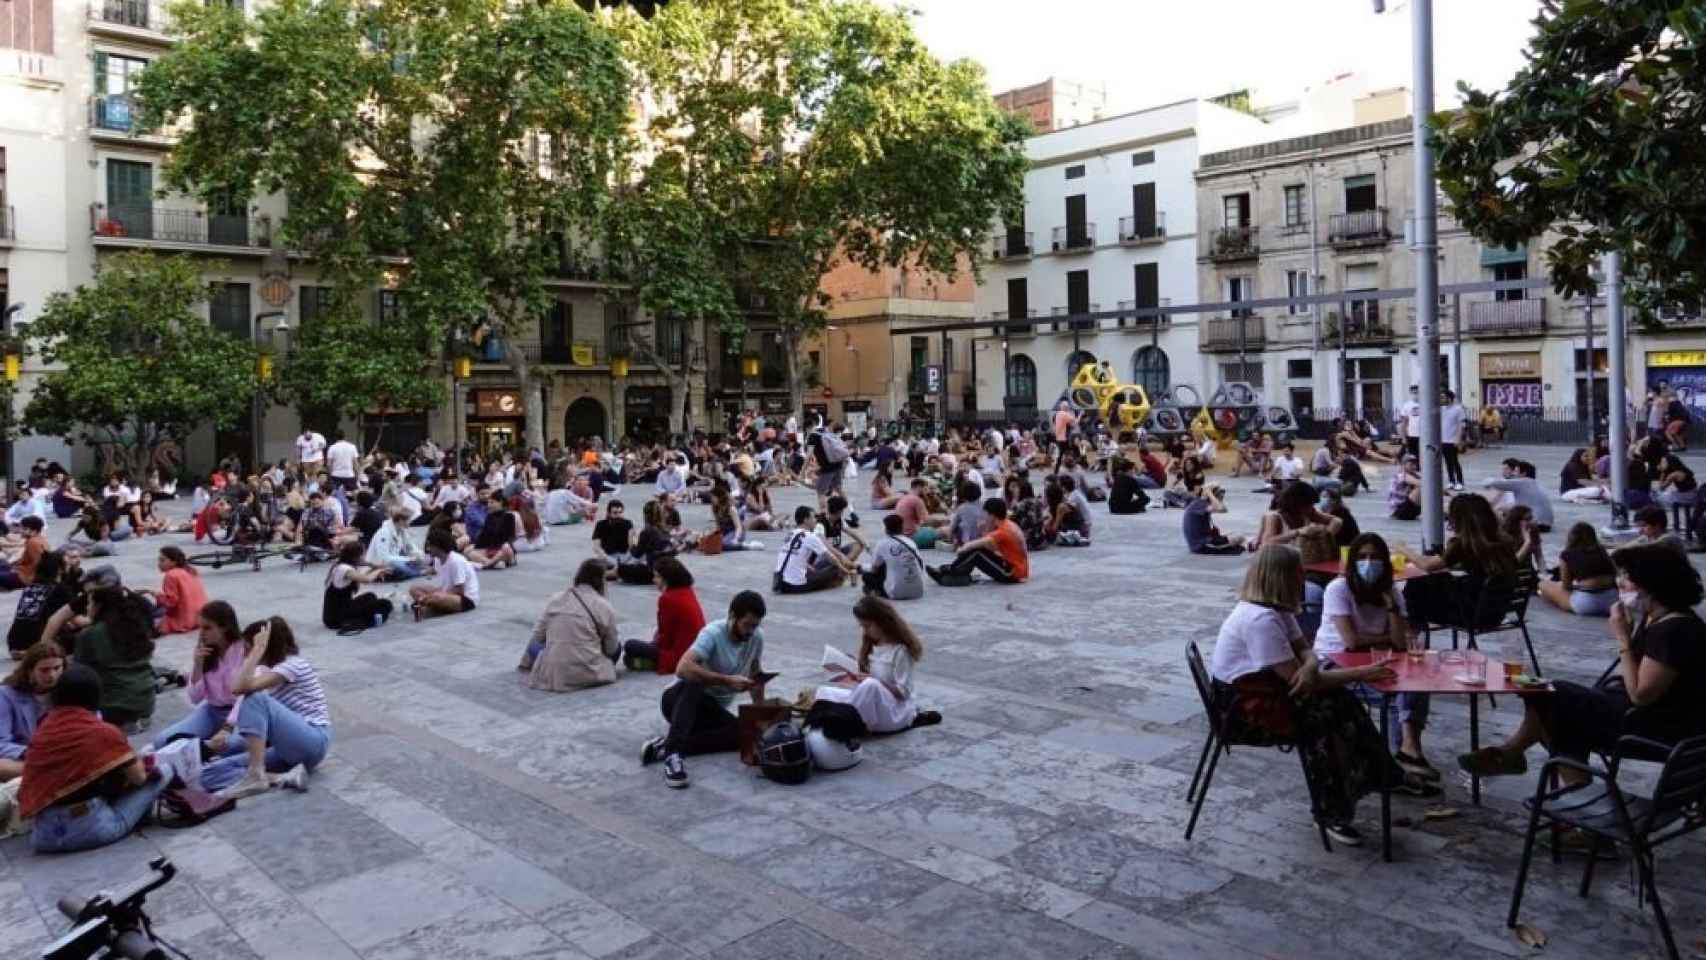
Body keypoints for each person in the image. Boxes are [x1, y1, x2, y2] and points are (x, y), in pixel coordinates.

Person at [1208, 545, 1430, 846]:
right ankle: (1332, 811)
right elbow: (1301, 682)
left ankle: (1382, 775)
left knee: (1343, 703)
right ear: (1282, 576)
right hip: (1244, 712)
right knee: (1329, 722)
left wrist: (1311, 664)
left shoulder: (1275, 610)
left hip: (1269, 693)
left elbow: (1304, 650)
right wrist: (1362, 673)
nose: (1304, 576)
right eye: (1298, 571)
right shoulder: (1260, 621)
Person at [1460, 544, 1706, 786]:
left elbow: (1641, 695)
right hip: (1644, 714)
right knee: (1551, 699)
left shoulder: (1673, 631)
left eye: (1627, 577)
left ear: (1652, 584)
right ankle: (1519, 757)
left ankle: (1535, 766)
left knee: (1555, 702)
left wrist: (1623, 639)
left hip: (1657, 728)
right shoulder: (1661, 618)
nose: (1619, 583)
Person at [1313, 534, 1436, 778]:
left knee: (1417, 683)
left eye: (1375, 557)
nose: (1368, 562)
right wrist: (1388, 637)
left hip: (1377, 658)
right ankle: (1400, 760)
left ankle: (1407, 750)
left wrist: (1391, 607)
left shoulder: (1391, 591)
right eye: (1362, 557)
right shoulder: (1339, 589)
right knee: (1391, 692)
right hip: (1334, 662)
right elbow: (1351, 642)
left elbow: (1400, 642)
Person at [21, 665, 170, 853]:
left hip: (43, 837)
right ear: (95, 696)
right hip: (93, 831)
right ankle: (139, 818)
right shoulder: (102, 732)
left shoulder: (43, 730)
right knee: (164, 770)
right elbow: (139, 778)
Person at [639, 590, 770, 789]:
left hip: (711, 710)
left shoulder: (756, 638)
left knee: (743, 735)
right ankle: (673, 756)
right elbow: (683, 668)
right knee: (695, 678)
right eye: (746, 625)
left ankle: (663, 747)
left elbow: (755, 674)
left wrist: (760, 716)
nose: (750, 631)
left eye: (755, 625)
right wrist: (726, 681)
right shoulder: (713, 633)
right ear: (732, 616)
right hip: (678, 701)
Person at [201, 618, 327, 798]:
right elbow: (239, 688)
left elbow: (239, 689)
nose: (245, 654)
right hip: (287, 748)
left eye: (247, 648)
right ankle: (282, 778)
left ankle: (256, 774)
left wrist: (257, 651)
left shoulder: (293, 665)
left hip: (313, 742)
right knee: (209, 774)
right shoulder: (269, 670)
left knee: (254, 697)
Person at [815, 596, 939, 733]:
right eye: (862, 626)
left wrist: (874, 681)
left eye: (867, 626)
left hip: (895, 712)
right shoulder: (873, 644)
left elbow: (903, 693)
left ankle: (846, 722)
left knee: (870, 685)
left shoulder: (900, 651)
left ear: (883, 622)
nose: (865, 630)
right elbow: (869, 679)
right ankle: (843, 719)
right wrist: (851, 667)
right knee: (824, 692)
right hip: (873, 706)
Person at [1403, 495, 1520, 629]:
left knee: (1417, 583)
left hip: (1470, 615)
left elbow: (1427, 566)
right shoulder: (1503, 541)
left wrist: (1403, 549)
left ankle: (1410, 631)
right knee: (1437, 579)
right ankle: (1411, 628)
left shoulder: (1463, 544)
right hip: (1495, 613)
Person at [520, 559, 621, 690]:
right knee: (618, 647)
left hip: (555, 673)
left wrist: (525, 663)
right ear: (601, 582)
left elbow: (537, 635)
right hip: (589, 670)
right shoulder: (604, 606)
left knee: (535, 647)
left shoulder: (555, 599)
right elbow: (611, 649)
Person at [74, 587, 156, 731]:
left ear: (98, 606)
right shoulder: (137, 625)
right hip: (147, 700)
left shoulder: (90, 634)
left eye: (89, 603)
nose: (87, 608)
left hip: (115, 705)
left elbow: (80, 673)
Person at [620, 557, 706, 674]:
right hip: (695, 650)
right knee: (648, 642)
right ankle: (644, 661)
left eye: (657, 576)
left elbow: (666, 637)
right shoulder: (686, 590)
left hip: (679, 656)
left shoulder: (667, 599)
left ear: (667, 579)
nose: (654, 580)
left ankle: (648, 662)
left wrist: (654, 648)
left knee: (630, 645)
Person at [926, 498, 1028, 586]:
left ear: (992, 515)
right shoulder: (1008, 524)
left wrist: (963, 548)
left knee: (976, 552)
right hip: (1016, 569)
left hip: (1012, 573)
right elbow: (991, 547)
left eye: (986, 514)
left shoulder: (1002, 531)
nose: (985, 517)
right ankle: (956, 573)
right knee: (978, 552)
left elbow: (977, 544)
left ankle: (947, 570)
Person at [0, 642, 63, 781]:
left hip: (60, 754)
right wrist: (30, 753)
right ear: (30, 671)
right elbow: (2, 742)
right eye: (44, 670)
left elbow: (93, 720)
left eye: (57, 668)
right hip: (25, 757)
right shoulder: (6, 695)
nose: (52, 675)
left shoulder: (72, 688)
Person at [1538, 522, 1617, 616]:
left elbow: (1566, 586)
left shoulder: (1567, 554)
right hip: (1612, 601)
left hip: (1587, 604)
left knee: (1542, 585)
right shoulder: (1601, 550)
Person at [774, 505, 853, 594]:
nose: (816, 520)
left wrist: (808, 565)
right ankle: (837, 583)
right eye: (814, 517)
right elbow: (830, 557)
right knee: (836, 567)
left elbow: (792, 555)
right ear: (806, 520)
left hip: (779, 582)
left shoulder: (790, 533)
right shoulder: (810, 536)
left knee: (817, 566)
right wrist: (845, 569)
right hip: (795, 586)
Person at [8, 551, 73, 657]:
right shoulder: (60, 589)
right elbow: (78, 620)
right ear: (60, 569)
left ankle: (27, 651)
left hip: (14, 642)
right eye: (68, 561)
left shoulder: (30, 587)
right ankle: (33, 651)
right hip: (38, 640)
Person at [322, 541, 394, 630]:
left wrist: (375, 567)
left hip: (338, 609)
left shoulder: (341, 563)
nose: (364, 557)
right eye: (362, 554)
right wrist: (378, 571)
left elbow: (364, 565)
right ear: (355, 556)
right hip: (337, 617)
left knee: (370, 596)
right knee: (385, 604)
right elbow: (366, 579)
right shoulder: (345, 569)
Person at [409, 528, 480, 618]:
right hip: (446, 592)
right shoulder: (437, 560)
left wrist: (432, 596)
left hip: (466, 599)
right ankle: (431, 606)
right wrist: (432, 595)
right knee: (414, 589)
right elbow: (444, 584)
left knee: (437, 597)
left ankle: (430, 607)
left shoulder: (456, 561)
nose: (428, 549)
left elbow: (459, 590)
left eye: (430, 546)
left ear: (439, 546)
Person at [1256, 481, 1343, 550]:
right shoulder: (1274, 517)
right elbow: (1267, 543)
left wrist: (1324, 538)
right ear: (1297, 503)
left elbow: (1337, 521)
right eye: (1309, 505)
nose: (1311, 508)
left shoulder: (1309, 513)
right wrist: (1298, 532)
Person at [863, 513, 926, 600]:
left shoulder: (882, 544)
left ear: (886, 529)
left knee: (866, 576)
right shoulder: (910, 542)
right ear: (902, 527)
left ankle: (878, 591)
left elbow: (874, 569)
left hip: (895, 593)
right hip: (918, 592)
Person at [147, 546, 207, 635]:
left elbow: (171, 602)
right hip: (199, 617)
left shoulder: (171, 575)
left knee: (149, 612)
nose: (159, 564)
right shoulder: (190, 570)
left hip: (183, 620)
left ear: (173, 562)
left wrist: (157, 595)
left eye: (162, 560)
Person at [1483, 458, 1554, 530]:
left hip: (1534, 523)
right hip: (1547, 524)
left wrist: (1487, 481)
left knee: (1497, 512)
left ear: (1523, 473)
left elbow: (1494, 483)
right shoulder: (1537, 484)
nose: (1513, 473)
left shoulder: (1521, 482)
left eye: (1516, 471)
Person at [1181, 484, 1244, 555]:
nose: (1222, 496)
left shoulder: (1200, 503)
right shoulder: (1200, 504)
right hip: (1202, 545)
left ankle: (1229, 545)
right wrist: (1209, 493)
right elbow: (1222, 509)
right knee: (1240, 537)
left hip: (1203, 540)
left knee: (1233, 534)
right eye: (1220, 493)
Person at [367, 509, 427, 579]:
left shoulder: (402, 531)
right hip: (380, 564)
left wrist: (418, 555)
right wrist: (408, 559)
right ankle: (419, 573)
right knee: (398, 566)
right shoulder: (384, 532)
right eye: (409, 520)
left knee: (417, 560)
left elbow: (410, 547)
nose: (411, 522)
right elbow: (383, 557)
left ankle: (413, 570)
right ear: (401, 520)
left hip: (394, 559)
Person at [466, 490, 519, 569]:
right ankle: (493, 563)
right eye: (488, 503)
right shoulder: (489, 517)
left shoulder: (509, 516)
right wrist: (476, 546)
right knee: (469, 552)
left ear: (500, 502)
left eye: (492, 502)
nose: (489, 505)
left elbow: (511, 536)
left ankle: (488, 564)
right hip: (490, 548)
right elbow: (483, 536)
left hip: (503, 549)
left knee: (506, 547)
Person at [0, 516, 47, 590]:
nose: (20, 531)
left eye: (24, 529)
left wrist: (16, 570)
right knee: (2, 563)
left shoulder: (33, 543)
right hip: (23, 571)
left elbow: (39, 564)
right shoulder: (39, 539)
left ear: (33, 531)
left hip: (25, 577)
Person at [592, 500, 635, 569]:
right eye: (615, 513)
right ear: (609, 513)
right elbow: (596, 547)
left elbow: (631, 545)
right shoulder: (600, 524)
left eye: (620, 512)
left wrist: (633, 535)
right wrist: (608, 558)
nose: (618, 515)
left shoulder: (628, 523)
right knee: (595, 562)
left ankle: (617, 570)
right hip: (608, 556)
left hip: (624, 556)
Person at [1439, 389, 1467, 490]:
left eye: (1443, 397)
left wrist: (1458, 440)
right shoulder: (1442, 409)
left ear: (1449, 398)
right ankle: (1451, 481)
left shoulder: (1458, 409)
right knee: (1447, 462)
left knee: (1455, 461)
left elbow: (1461, 425)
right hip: (1443, 440)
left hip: (1453, 440)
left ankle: (1460, 482)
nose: (1441, 399)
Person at [1387, 456, 1422, 521]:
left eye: (1415, 464)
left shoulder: (1415, 476)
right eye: (1411, 464)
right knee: (1421, 488)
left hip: (1409, 508)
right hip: (1399, 510)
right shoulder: (1401, 475)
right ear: (1403, 465)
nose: (1414, 467)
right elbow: (1422, 484)